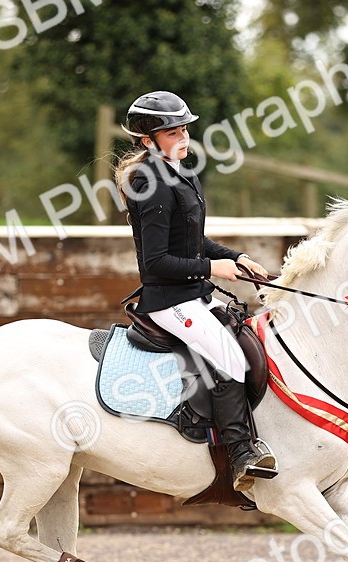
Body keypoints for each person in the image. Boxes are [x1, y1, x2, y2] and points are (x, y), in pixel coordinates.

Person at [114, 90, 277, 492]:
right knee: (229, 358)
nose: (183, 138)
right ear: (147, 140)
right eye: (173, 132)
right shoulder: (148, 184)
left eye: (185, 129)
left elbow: (192, 241)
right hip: (168, 302)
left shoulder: (182, 173)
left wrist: (235, 257)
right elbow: (155, 262)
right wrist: (213, 268)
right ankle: (241, 454)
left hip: (194, 294)